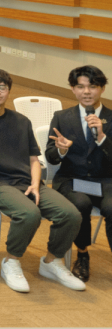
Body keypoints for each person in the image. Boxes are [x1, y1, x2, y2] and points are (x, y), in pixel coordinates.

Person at [0, 69, 84, 292]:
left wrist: (35, 184)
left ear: (9, 92)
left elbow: (34, 159)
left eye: (2, 87)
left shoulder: (21, 121)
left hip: (27, 182)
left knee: (71, 214)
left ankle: (52, 262)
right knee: (29, 213)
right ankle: (11, 261)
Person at [45, 65, 112, 283]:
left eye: (92, 86)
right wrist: (62, 149)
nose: (86, 92)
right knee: (80, 204)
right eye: (80, 87)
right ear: (73, 89)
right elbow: (51, 157)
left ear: (102, 88)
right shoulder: (62, 117)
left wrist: (102, 138)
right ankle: (82, 254)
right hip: (72, 179)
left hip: (106, 180)